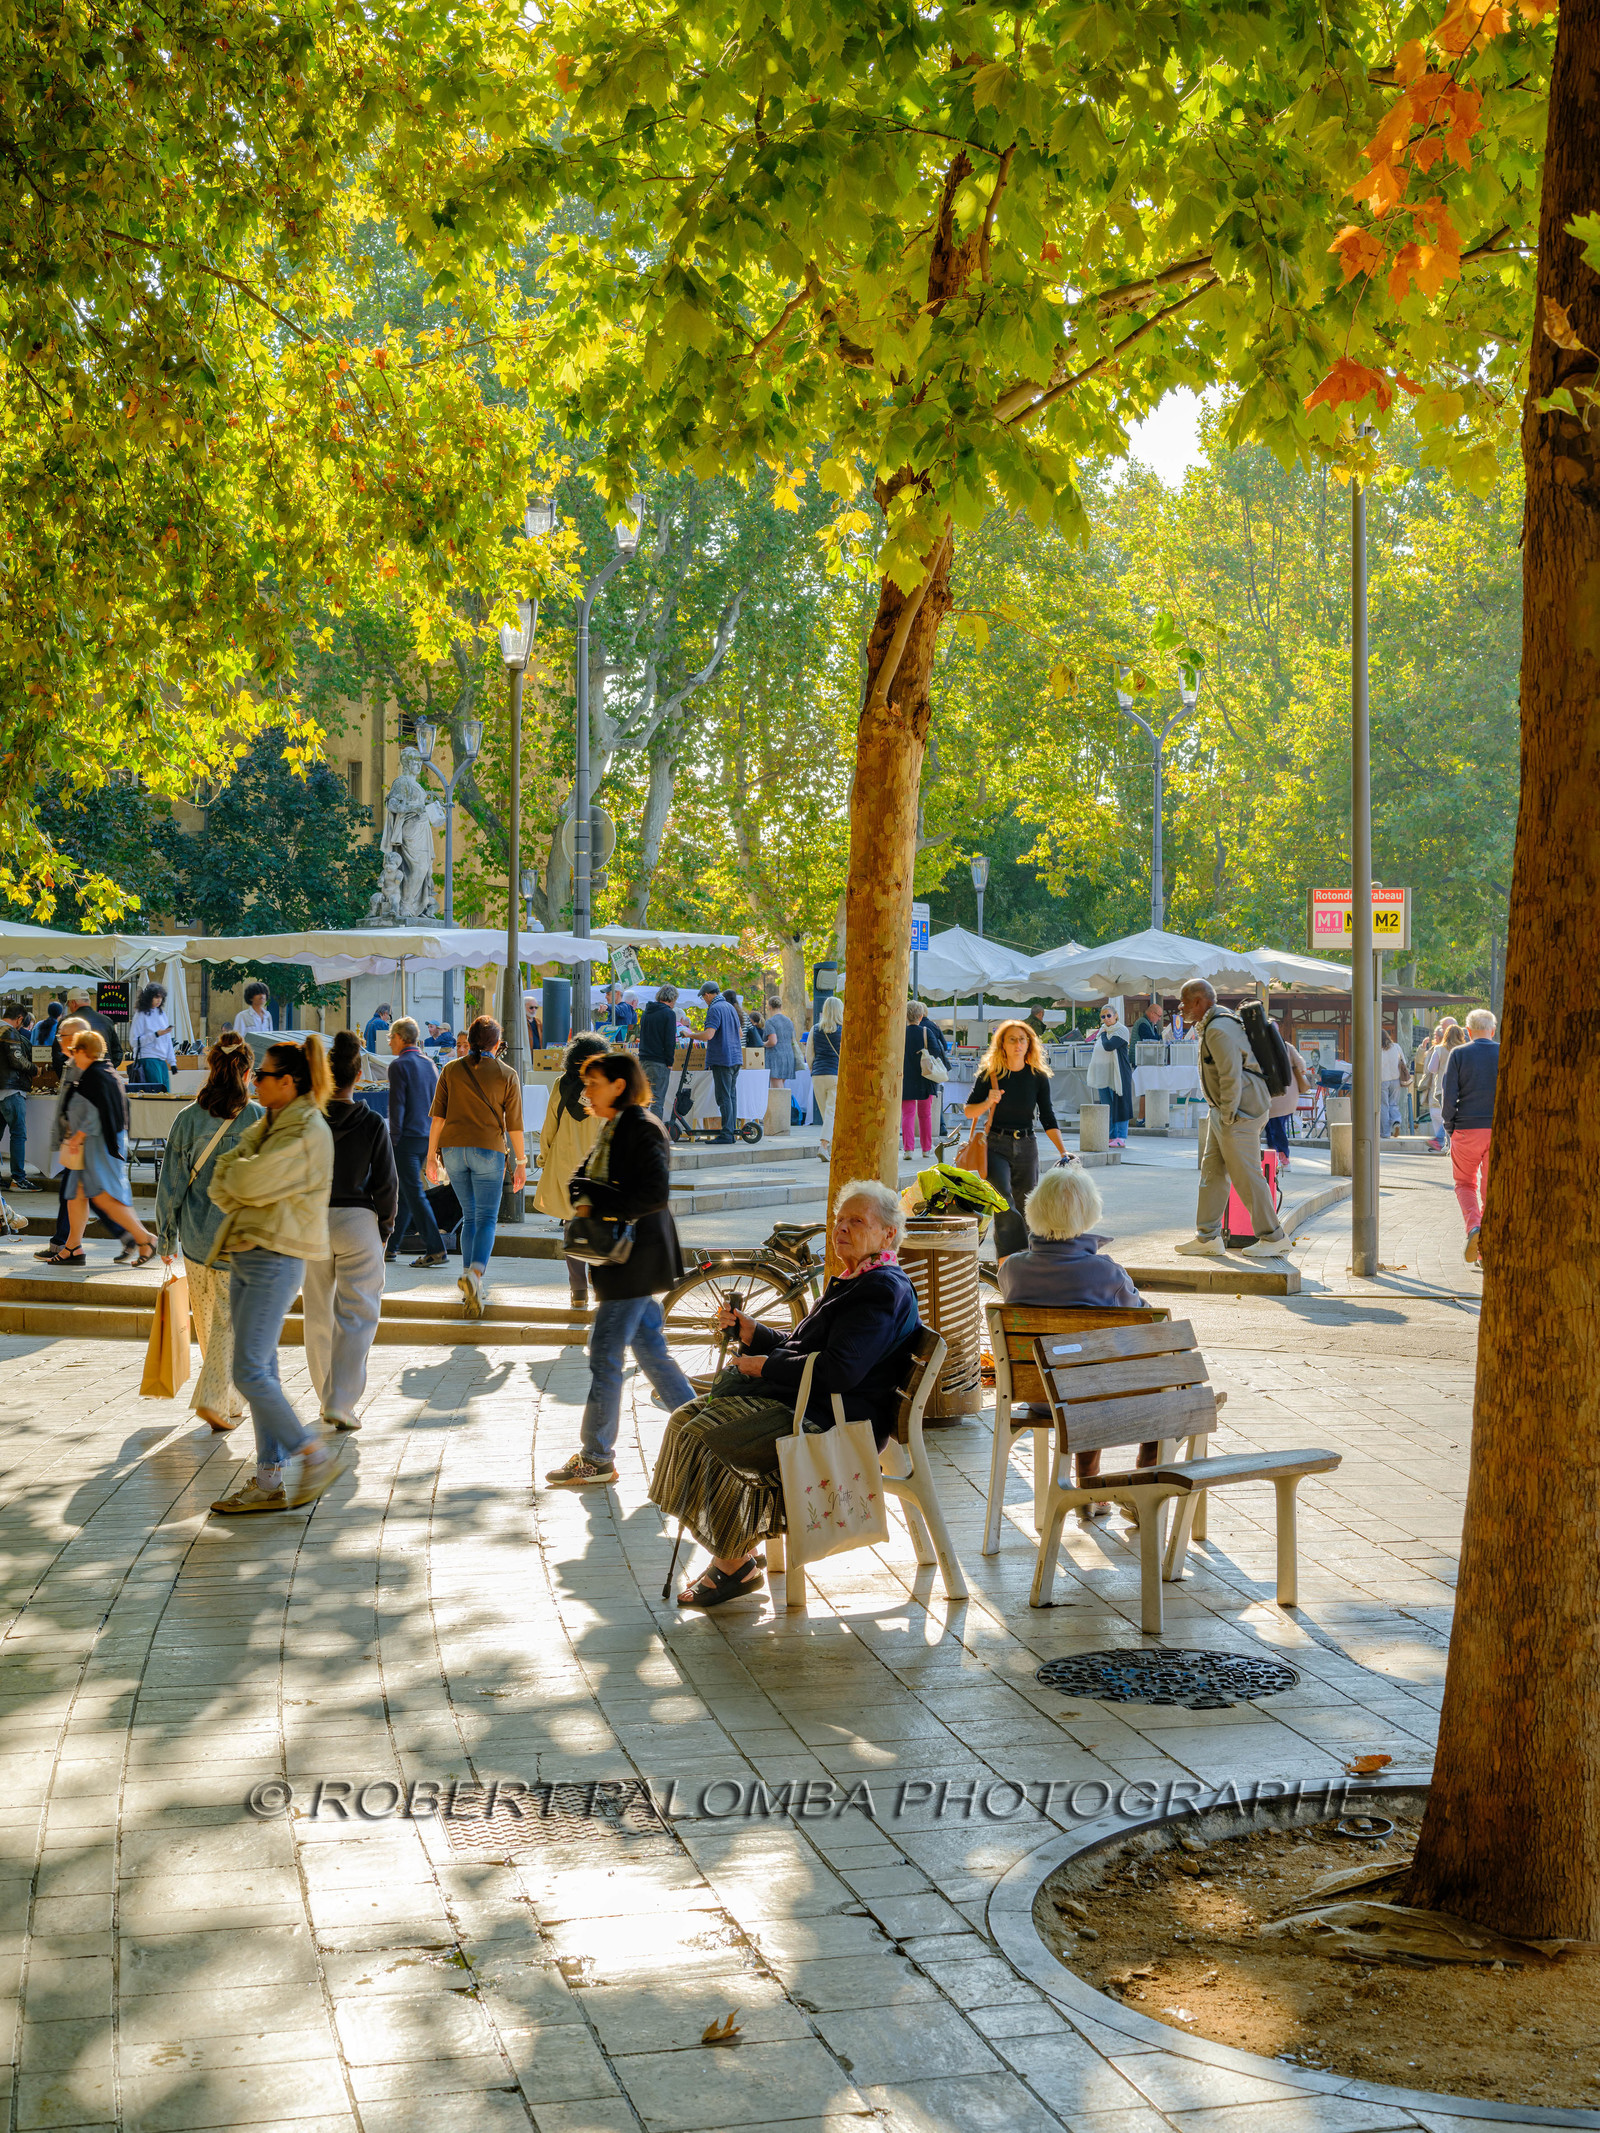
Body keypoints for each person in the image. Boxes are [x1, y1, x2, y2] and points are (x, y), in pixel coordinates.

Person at [649, 1179, 919, 1607]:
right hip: (805, 1399)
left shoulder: (881, 1289)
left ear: (889, 1233)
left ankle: (733, 1564)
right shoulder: (856, 1278)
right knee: (685, 1419)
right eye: (839, 1220)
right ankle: (736, 1553)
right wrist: (754, 1334)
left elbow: (840, 1370)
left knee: (709, 1439)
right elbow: (806, 1348)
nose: (842, 1228)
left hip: (833, 1415)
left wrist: (764, 1365)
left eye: (857, 1221)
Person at [545, 1052, 697, 1488]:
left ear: (618, 1085)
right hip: (624, 1261)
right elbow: (583, 1178)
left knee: (606, 1353)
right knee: (650, 1348)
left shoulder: (641, 1127)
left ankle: (596, 1456)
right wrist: (586, 1191)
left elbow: (653, 1192)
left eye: (592, 1083)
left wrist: (599, 1202)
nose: (585, 1091)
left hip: (634, 1258)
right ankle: (699, 1427)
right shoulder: (614, 1127)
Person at [207, 1038, 341, 1515]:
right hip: (250, 1251)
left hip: (275, 1255)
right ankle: (269, 1480)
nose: (253, 1081)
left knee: (248, 1371)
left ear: (288, 1082)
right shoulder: (271, 1121)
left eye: (261, 1075)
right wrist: (240, 1180)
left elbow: (240, 1180)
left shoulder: (304, 1129)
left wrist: (241, 1180)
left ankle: (312, 1453)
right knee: (259, 1369)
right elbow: (222, 1176)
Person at [998, 1163, 1150, 1517]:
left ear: (1034, 1211)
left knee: (1081, 1371)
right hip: (1094, 1397)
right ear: (1089, 1214)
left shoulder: (1012, 1269)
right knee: (1163, 1387)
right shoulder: (1107, 1273)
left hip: (1037, 1396)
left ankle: (1089, 1492)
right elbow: (1145, 1322)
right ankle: (1143, 1490)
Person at [154, 1033, 263, 1431]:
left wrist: (164, 1236)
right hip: (240, 1240)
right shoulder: (258, 1120)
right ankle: (218, 1399)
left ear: (211, 1068)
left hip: (196, 1240)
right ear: (248, 1073)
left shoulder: (187, 1120)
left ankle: (225, 1401)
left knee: (209, 1326)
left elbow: (170, 1184)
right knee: (231, 1325)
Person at [304, 1030, 398, 1431]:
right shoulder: (372, 1122)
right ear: (358, 1076)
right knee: (357, 1315)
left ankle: (326, 1394)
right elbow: (387, 1183)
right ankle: (341, 1400)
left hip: (312, 1220)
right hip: (359, 1221)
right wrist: (386, 1229)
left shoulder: (307, 1120)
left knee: (317, 1313)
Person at [1173, 978, 1288, 1261]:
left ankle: (1274, 1236)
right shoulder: (1219, 1023)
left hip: (1238, 1113)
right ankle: (1207, 1237)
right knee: (1212, 1171)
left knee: (1246, 1174)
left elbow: (1230, 1076)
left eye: (1185, 1001)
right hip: (1228, 1111)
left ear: (1200, 1002)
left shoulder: (1219, 1029)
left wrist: (1227, 1116)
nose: (1181, 1007)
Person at [425, 1014, 526, 1319]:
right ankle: (476, 1275)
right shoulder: (507, 1074)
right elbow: (515, 1127)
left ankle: (473, 1288)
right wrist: (521, 1163)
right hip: (488, 1151)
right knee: (486, 1219)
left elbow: (438, 1118)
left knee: (470, 1218)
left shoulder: (451, 1070)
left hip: (453, 1151)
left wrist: (431, 1157)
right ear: (498, 1043)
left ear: (468, 1041)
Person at [964, 1019, 1069, 1258]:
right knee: (1003, 1203)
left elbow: (1048, 1117)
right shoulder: (989, 1075)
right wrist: (988, 1101)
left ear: (1030, 1044)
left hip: (1027, 1144)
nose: (1018, 1044)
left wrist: (1063, 1151)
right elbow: (969, 1111)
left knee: (1027, 1205)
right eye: (1012, 1039)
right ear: (1002, 1044)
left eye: (1023, 1039)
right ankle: (1010, 1261)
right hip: (996, 1145)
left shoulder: (1038, 1077)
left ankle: (1026, 1261)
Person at [55, 1031, 158, 1266]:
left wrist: (77, 1136)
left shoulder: (96, 1075)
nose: (71, 1055)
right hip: (97, 1145)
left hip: (98, 1146)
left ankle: (145, 1238)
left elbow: (96, 1114)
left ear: (82, 1051)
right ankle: (73, 1247)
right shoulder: (103, 1072)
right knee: (77, 1195)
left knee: (104, 1197)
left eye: (74, 1051)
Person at [533, 1034, 606, 1311]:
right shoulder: (608, 1087)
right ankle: (600, 1288)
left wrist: (544, 1158)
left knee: (571, 1228)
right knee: (601, 1227)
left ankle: (578, 1292)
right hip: (599, 1168)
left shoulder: (561, 1084)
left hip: (566, 1167)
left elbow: (549, 1124)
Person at [386, 1017, 447, 1268]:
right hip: (426, 1136)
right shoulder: (429, 1063)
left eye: (391, 1038)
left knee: (413, 1193)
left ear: (400, 1038)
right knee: (407, 1192)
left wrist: (393, 1139)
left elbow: (396, 1106)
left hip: (407, 1138)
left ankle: (436, 1248)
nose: (390, 1043)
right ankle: (391, 1246)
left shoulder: (399, 1065)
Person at [1442, 1007, 1498, 1266]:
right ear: (1493, 1030)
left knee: (1465, 1184)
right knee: (1491, 1190)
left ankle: (1474, 1227)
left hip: (1466, 1128)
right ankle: (1486, 1250)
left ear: (1468, 1031)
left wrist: (1449, 1125)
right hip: (1497, 1130)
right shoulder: (1503, 1053)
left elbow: (1449, 1093)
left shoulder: (1458, 1054)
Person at [699, 981, 744, 1145]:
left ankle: (726, 1134)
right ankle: (730, 1131)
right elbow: (739, 1033)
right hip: (735, 1058)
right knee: (731, 1096)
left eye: (703, 997)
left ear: (708, 994)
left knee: (723, 1097)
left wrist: (690, 1035)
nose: (704, 1000)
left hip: (722, 1058)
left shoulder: (715, 1009)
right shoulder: (730, 1007)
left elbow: (709, 1035)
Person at [901, 1001, 948, 1158]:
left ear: (905, 1016)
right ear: (921, 1016)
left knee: (907, 1114)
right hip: (925, 1077)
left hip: (906, 1077)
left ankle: (908, 1149)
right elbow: (936, 1052)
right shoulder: (926, 1032)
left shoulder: (900, 1032)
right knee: (925, 1114)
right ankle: (926, 1149)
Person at [1087, 1003, 1134, 1148]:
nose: (1106, 1019)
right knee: (1107, 1105)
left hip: (1118, 1073)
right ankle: (1111, 1135)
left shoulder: (1121, 1030)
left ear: (1116, 1016)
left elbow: (1108, 1046)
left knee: (1120, 1104)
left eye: (1109, 1015)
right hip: (1104, 1074)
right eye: (1103, 1016)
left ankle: (1121, 1136)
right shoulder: (1104, 1030)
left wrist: (1102, 1034)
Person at [1264, 1034, 1312, 1172]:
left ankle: (1280, 1159)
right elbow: (1301, 1065)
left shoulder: (1260, 1047)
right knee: (1276, 1128)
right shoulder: (1286, 1046)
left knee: (1272, 1129)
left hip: (1271, 1097)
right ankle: (1279, 1159)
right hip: (1287, 1096)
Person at [0, 1003, 32, 1190]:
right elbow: (16, 1060)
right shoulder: (9, 1032)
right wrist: (34, 1069)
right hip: (11, 1090)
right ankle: (18, 1179)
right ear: (20, 1019)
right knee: (18, 1134)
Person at [809, 993, 843, 1161]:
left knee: (826, 1113)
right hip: (836, 1074)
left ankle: (830, 1147)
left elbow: (809, 1055)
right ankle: (824, 1145)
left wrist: (813, 1069)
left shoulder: (815, 1029)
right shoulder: (844, 1030)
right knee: (831, 1113)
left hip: (818, 1074)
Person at [638, 986, 680, 1118]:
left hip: (644, 1059)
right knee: (657, 1099)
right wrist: (669, 1061)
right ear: (672, 999)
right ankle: (655, 1133)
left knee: (644, 1099)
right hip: (659, 1061)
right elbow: (669, 1041)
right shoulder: (669, 1014)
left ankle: (639, 1129)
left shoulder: (646, 1013)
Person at [128, 981, 177, 1092]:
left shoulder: (162, 1014)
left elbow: (167, 1039)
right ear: (149, 997)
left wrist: (172, 1062)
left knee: (165, 1093)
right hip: (147, 1058)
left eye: (161, 997)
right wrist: (155, 1035)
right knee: (155, 1094)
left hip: (161, 1060)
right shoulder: (141, 1014)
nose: (159, 1000)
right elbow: (134, 1041)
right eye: (156, 997)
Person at [1428, 1023, 1467, 1153]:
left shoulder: (1439, 1049)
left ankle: (1449, 1144)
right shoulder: (1464, 1049)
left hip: (1442, 1088)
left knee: (1447, 1117)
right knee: (1459, 1118)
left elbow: (1431, 1069)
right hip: (1462, 1089)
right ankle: (1458, 1144)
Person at [64, 987, 123, 1067]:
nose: (69, 1007)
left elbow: (58, 1053)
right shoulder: (107, 1020)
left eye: (69, 1004)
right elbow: (117, 1051)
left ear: (73, 1003)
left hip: (77, 1072)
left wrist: (65, 1074)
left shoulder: (66, 1022)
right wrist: (110, 1067)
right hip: (103, 1071)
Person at [1379, 1028, 1410, 1138]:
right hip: (1396, 1079)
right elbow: (1404, 1062)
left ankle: (1385, 1133)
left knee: (1383, 1105)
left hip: (1382, 1080)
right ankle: (1396, 1121)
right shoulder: (1396, 1047)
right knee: (1393, 1103)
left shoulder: (1377, 1050)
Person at [763, 995, 798, 1083]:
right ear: (781, 1007)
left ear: (769, 1007)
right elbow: (792, 1038)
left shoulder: (770, 1022)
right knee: (782, 1085)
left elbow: (773, 1041)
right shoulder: (789, 1021)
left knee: (777, 1088)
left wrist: (763, 1044)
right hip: (788, 1055)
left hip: (775, 1056)